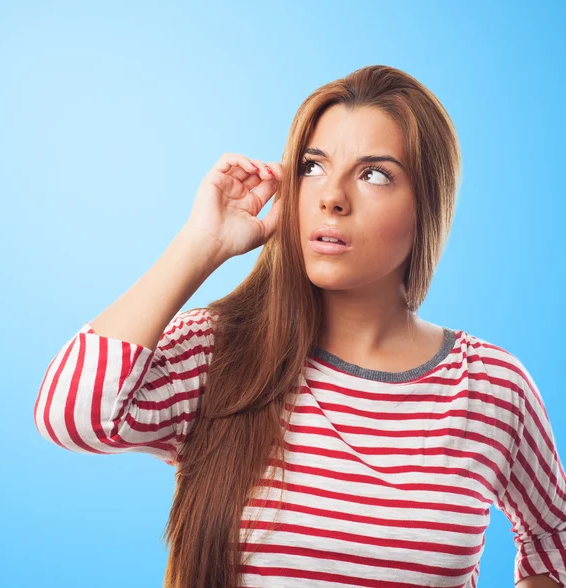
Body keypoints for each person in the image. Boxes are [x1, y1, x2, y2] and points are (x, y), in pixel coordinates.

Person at [33, 65, 566, 588]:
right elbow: (73, 416)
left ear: (428, 204)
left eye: (374, 173)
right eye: (313, 167)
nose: (332, 197)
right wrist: (200, 245)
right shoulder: (219, 352)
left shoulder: (491, 387)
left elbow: (554, 536)